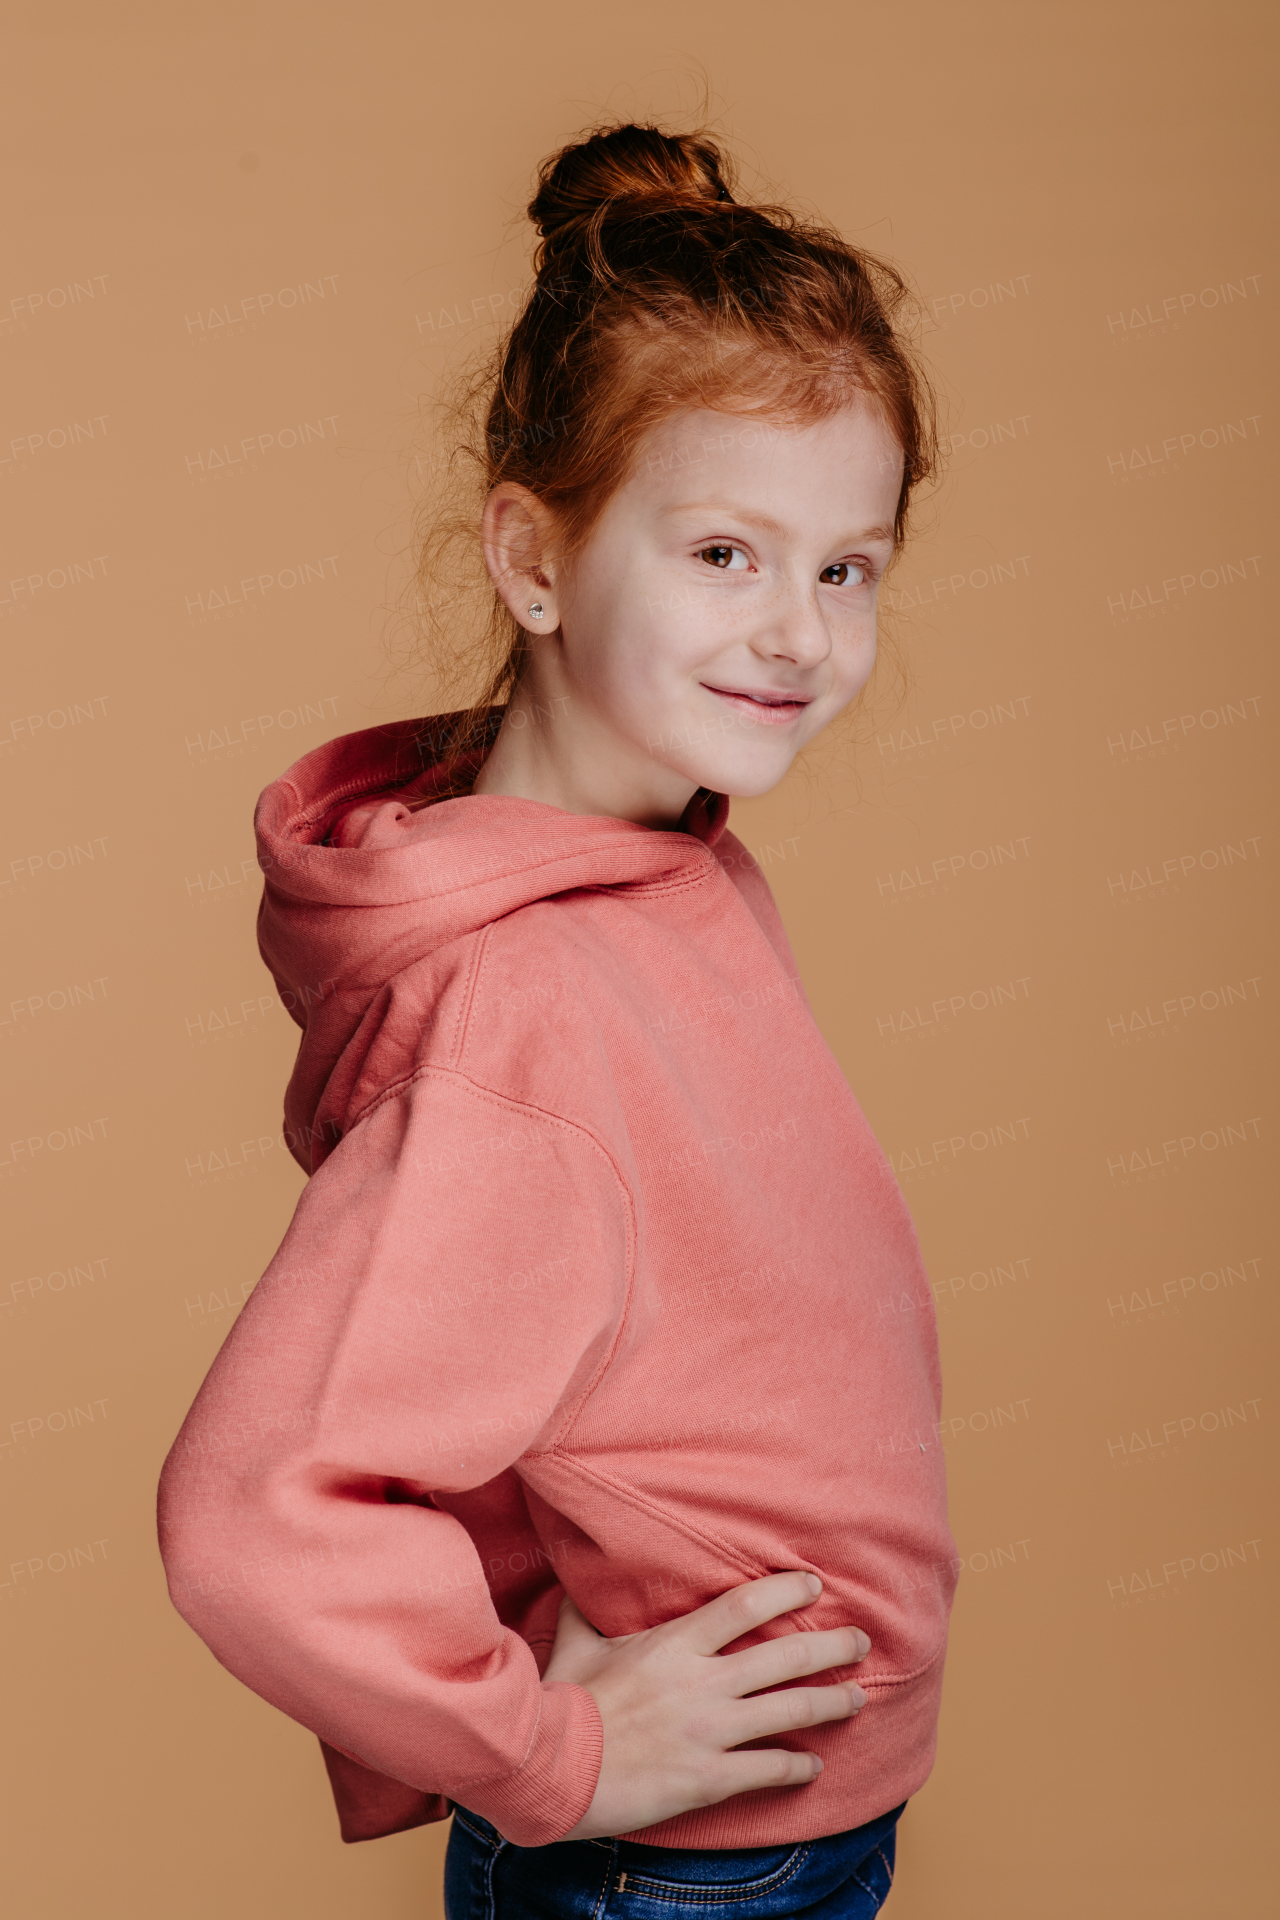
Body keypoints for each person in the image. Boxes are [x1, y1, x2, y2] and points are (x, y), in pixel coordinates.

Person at [158, 120, 957, 1918]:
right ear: (533, 560)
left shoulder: (654, 871)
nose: (802, 635)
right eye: (727, 552)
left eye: (850, 568)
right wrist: (556, 1755)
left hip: (786, 1829)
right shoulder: (526, 996)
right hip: (683, 1875)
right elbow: (251, 1515)